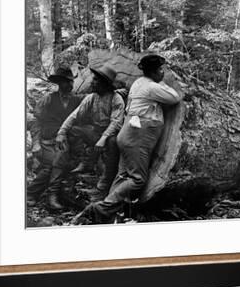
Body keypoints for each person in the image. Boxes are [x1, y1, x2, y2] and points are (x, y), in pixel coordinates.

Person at [73, 54, 181, 224]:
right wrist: (162, 82)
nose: (162, 73)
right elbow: (175, 97)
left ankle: (104, 215)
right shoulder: (151, 87)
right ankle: (100, 209)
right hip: (137, 136)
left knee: (123, 176)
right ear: (152, 72)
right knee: (137, 179)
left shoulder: (139, 83)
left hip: (129, 133)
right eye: (160, 70)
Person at [53, 63, 125, 206]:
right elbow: (75, 116)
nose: (92, 82)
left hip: (111, 135)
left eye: (96, 80)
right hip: (95, 132)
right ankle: (86, 161)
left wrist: (103, 139)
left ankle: (104, 184)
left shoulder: (116, 99)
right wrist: (61, 132)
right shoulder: (91, 97)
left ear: (105, 84)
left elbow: (116, 122)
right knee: (74, 130)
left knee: (112, 142)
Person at [27, 66, 82, 209]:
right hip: (47, 142)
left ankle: (34, 194)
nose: (69, 85)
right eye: (65, 82)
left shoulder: (77, 100)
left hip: (65, 141)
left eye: (71, 82)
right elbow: (36, 122)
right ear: (59, 83)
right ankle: (48, 196)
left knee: (54, 163)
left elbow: (91, 103)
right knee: (53, 163)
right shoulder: (48, 99)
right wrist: (36, 144)